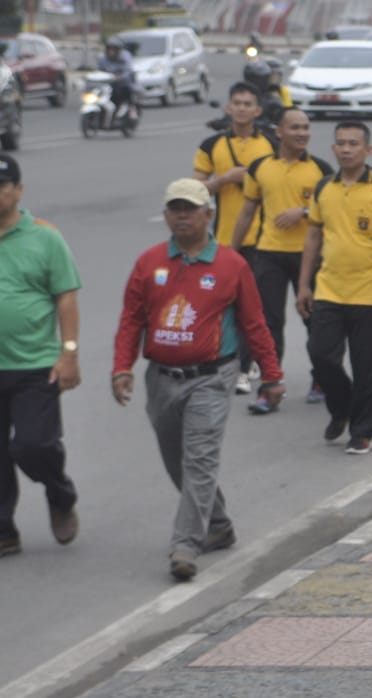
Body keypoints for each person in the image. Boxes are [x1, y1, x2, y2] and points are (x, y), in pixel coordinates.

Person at [113, 179, 285, 580]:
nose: (183, 216)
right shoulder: (150, 262)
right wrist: (122, 368)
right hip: (161, 378)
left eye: (191, 208)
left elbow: (255, 324)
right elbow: (131, 319)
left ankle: (186, 544)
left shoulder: (230, 265)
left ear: (209, 214)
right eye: (175, 208)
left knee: (200, 459)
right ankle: (218, 524)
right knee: (177, 461)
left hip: (211, 377)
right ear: (167, 214)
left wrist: (271, 376)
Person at [296, 122, 372, 455]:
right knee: (321, 354)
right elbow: (313, 236)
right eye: (340, 143)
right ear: (333, 149)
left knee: (368, 368)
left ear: (367, 150)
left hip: (368, 291)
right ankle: (341, 408)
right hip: (328, 287)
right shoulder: (324, 187)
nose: (346, 149)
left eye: (353, 143)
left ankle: (362, 431)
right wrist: (303, 284)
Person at [0, 154, 81, 557]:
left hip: (35, 364)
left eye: (2, 185)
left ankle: (59, 493)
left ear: (18, 190)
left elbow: (65, 297)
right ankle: (4, 530)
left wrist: (69, 353)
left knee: (33, 446)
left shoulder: (45, 237)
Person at [232, 108, 332, 412]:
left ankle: (321, 379)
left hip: (309, 256)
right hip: (269, 254)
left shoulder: (321, 169)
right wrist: (232, 253)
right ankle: (269, 386)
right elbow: (248, 211)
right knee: (268, 323)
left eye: (305, 127)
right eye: (295, 128)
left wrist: (301, 212)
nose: (301, 133)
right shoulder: (260, 168)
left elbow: (332, 211)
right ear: (279, 132)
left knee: (316, 322)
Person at [196, 82, 279, 394]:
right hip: (226, 238)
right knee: (227, 304)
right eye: (237, 103)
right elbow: (196, 190)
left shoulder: (270, 143)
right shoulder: (211, 145)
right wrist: (225, 179)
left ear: (257, 110)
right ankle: (236, 359)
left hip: (265, 238)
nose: (242, 108)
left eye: (248, 103)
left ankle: (247, 365)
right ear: (228, 108)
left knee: (257, 306)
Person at [97, 40, 137, 121]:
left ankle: (132, 109)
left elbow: (128, 71)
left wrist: (120, 77)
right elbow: (99, 71)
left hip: (123, 83)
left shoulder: (125, 57)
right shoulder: (103, 59)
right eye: (109, 49)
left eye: (113, 49)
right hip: (108, 84)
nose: (111, 52)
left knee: (126, 91)